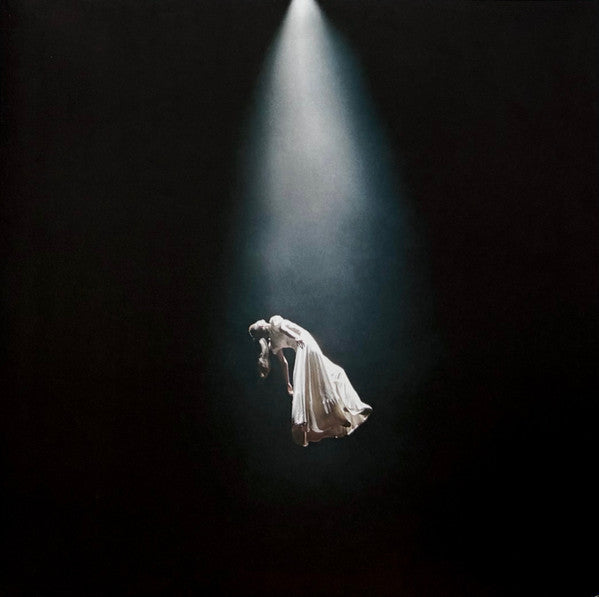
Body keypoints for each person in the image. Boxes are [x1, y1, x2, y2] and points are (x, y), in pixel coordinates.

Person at [248, 315, 372, 447]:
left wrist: (296, 337)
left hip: (304, 341)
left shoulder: (274, 321)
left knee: (333, 372)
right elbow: (283, 362)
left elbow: (284, 328)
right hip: (302, 347)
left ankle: (350, 407)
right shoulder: (272, 344)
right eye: (259, 333)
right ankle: (337, 414)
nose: (261, 331)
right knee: (327, 375)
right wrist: (288, 383)